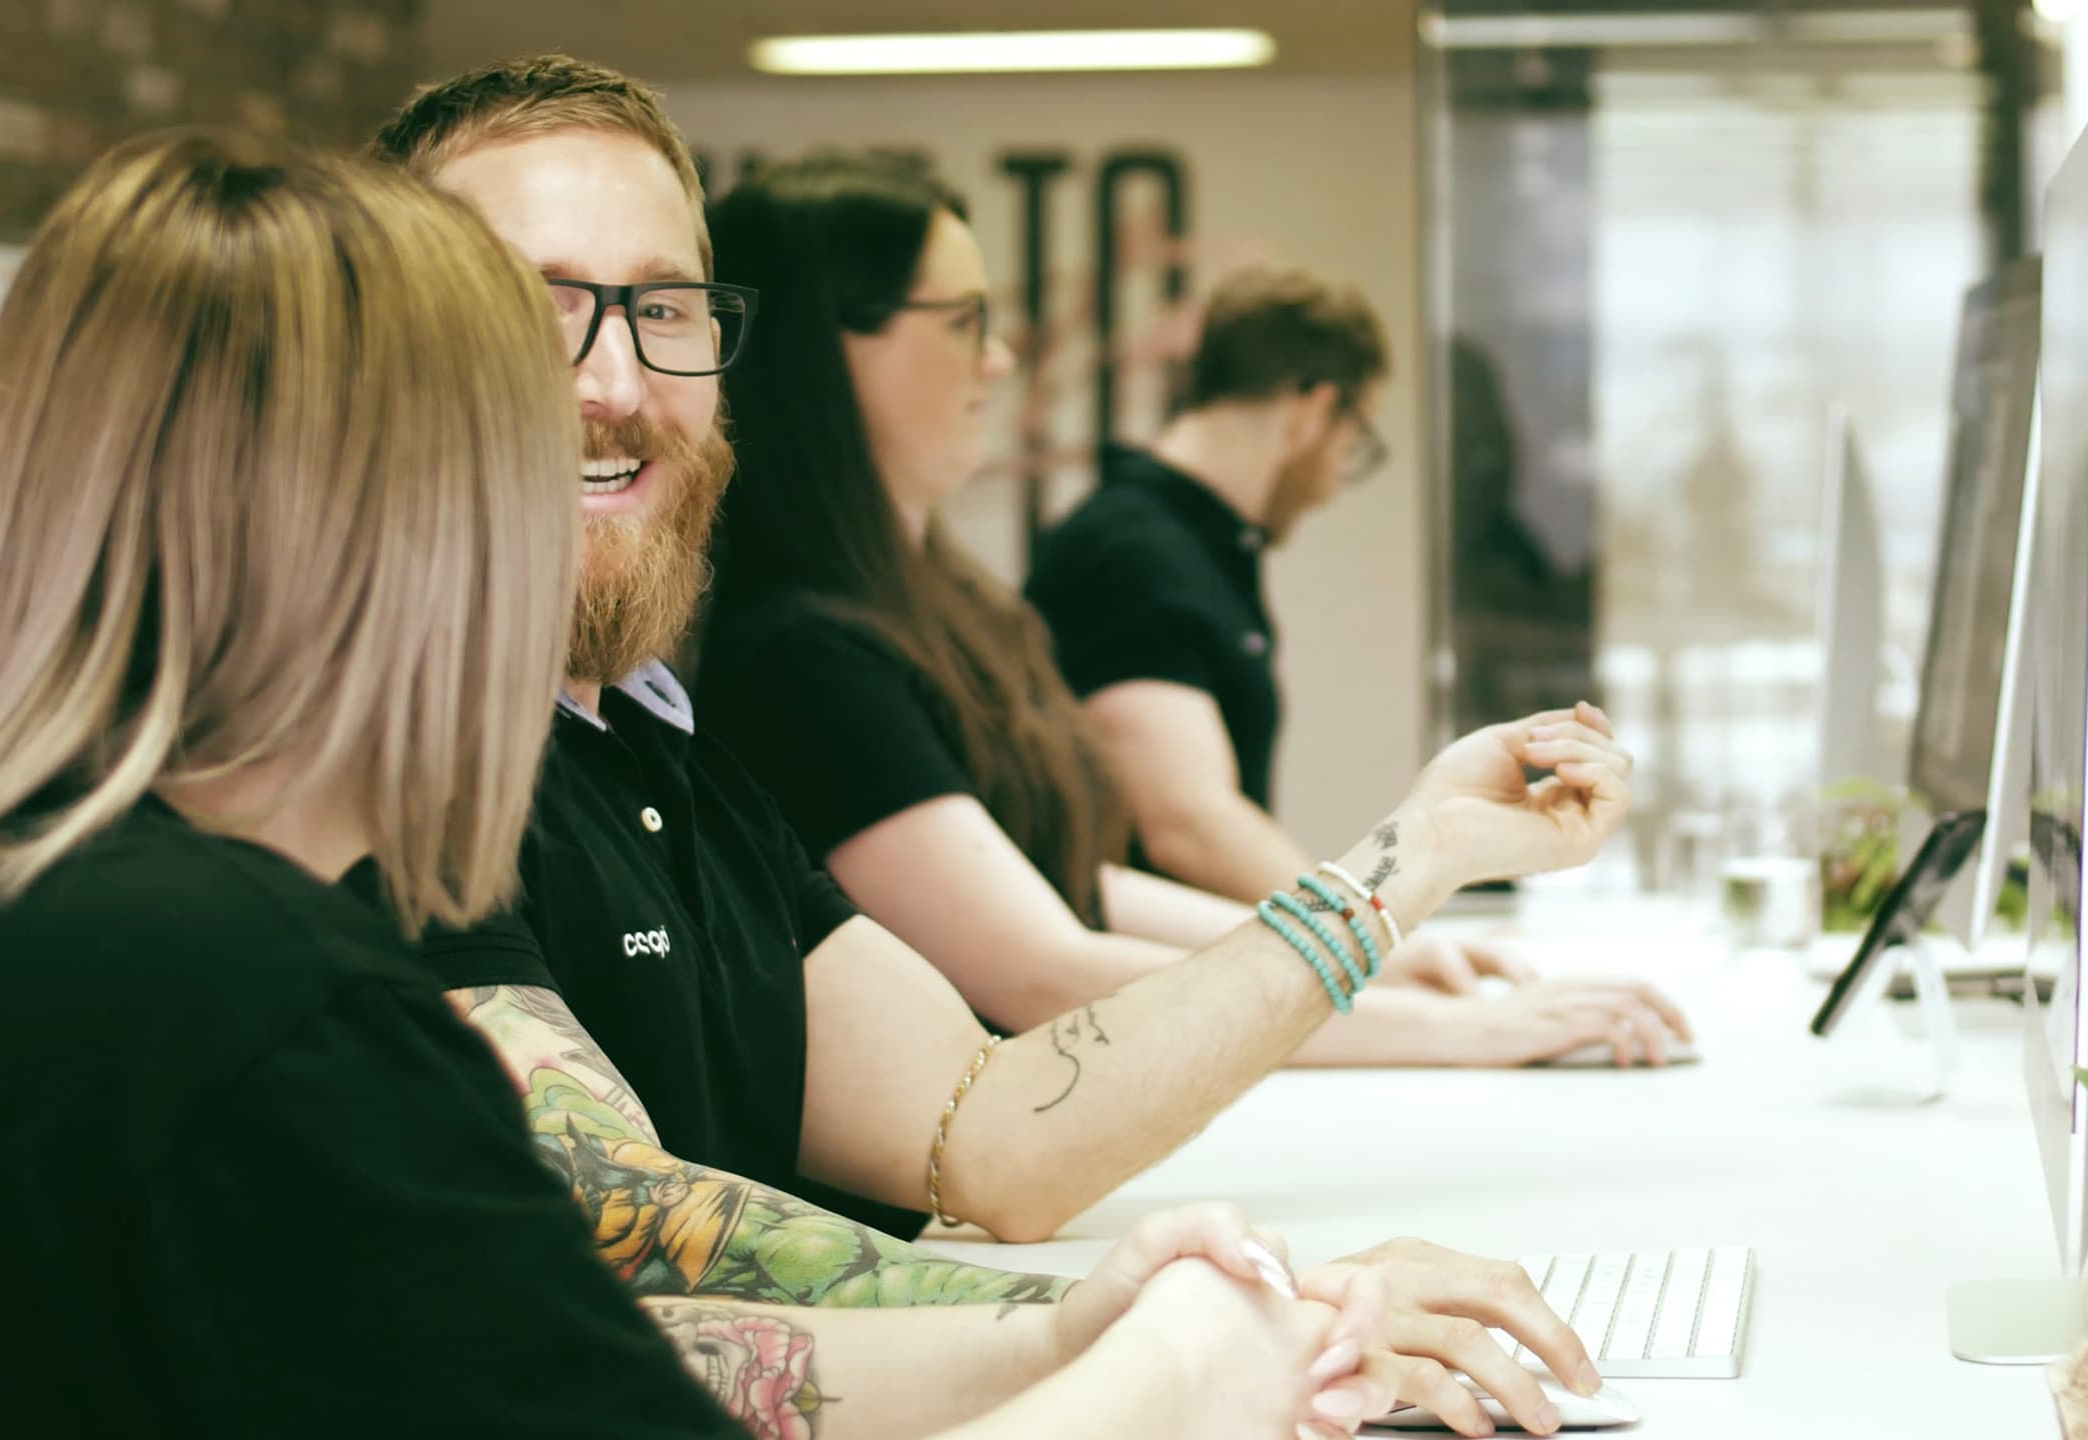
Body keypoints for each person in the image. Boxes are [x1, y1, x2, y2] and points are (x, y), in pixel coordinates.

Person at [0, 128, 1397, 1440]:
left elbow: (552, 1350)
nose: (608, 424)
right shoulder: (262, 1009)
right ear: (407, 517)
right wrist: (1192, 1367)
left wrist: (1095, 1320)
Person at [377, 58, 1624, 1437]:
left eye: (661, 307)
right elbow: (616, 1226)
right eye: (533, 309)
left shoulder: (665, 761)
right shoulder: (367, 770)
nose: (615, 377)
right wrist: (1183, 1322)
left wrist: (1423, 847)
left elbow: (990, 1125)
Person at [693, 154, 1687, 1071]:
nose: (999, 361)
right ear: (832, 347)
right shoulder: (802, 655)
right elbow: (1039, 968)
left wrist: (1356, 950)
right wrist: (1441, 1017)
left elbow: (1079, 886)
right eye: (965, 322)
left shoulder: (952, 609)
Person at [1025, 269, 1684, 1063]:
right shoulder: (1134, 552)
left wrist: (1377, 939)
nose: (1340, 476)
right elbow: (1187, 825)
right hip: (1134, 1030)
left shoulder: (1190, 543)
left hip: (1189, 1000)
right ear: (1311, 408)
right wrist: (1367, 937)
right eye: (1355, 437)